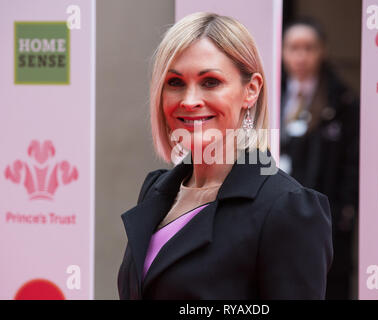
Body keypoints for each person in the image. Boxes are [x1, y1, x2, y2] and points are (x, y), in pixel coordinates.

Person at [117, 12, 333, 300]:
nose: (190, 100)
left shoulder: (287, 208)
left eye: (210, 82)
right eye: (175, 83)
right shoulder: (156, 191)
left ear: (251, 91)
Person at [279, 17, 360, 299]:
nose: (301, 56)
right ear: (281, 51)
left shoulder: (342, 101)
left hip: (321, 218)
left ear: (322, 50)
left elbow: (352, 164)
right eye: (293, 48)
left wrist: (342, 213)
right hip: (276, 214)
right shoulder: (268, 96)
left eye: (309, 48)